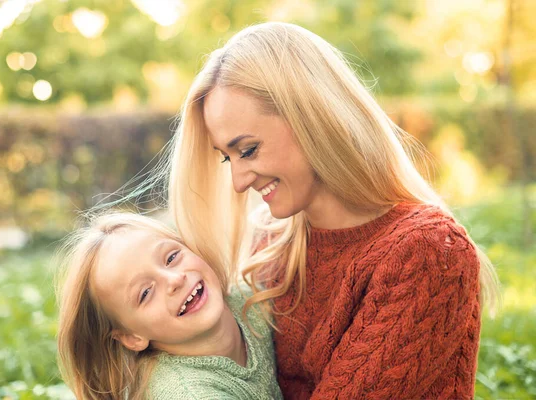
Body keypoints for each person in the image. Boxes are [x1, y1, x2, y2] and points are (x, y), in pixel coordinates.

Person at [162, 22, 500, 399]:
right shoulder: (272, 245)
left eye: (248, 150)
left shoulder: (427, 250)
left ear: (311, 116)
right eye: (228, 159)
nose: (239, 182)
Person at [55, 212, 283, 399]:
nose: (174, 280)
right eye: (145, 293)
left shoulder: (253, 300)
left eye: (172, 257)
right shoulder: (186, 393)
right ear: (132, 337)